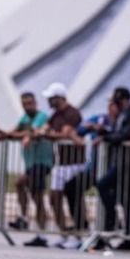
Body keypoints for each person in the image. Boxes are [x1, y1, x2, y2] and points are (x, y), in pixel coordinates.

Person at [94, 86, 130, 252]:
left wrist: (105, 137)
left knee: (110, 189)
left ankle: (118, 226)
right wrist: (107, 132)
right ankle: (122, 231)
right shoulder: (123, 114)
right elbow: (120, 133)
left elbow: (125, 134)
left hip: (127, 161)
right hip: (118, 159)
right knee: (122, 197)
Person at [37, 82, 84, 249]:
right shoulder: (55, 114)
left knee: (74, 199)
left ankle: (79, 235)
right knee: (54, 197)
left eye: (51, 98)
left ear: (59, 98)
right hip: (61, 163)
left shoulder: (72, 113)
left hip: (74, 163)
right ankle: (64, 233)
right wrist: (42, 131)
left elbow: (64, 134)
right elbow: (45, 127)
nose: (48, 101)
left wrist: (46, 135)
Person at [1, 92, 51, 244]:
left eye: (30, 103)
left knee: (38, 196)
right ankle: (23, 217)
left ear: (35, 103)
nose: (28, 106)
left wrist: (24, 135)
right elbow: (15, 131)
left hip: (42, 162)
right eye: (25, 104)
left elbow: (32, 131)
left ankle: (42, 233)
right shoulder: (25, 118)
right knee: (21, 184)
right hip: (31, 163)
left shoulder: (41, 116)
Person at [67, 99, 116, 242]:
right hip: (93, 169)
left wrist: (104, 135)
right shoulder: (100, 119)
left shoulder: (121, 122)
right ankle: (81, 224)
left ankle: (108, 231)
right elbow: (76, 131)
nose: (111, 108)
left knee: (108, 196)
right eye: (110, 104)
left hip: (111, 170)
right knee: (71, 187)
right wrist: (77, 138)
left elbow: (120, 134)